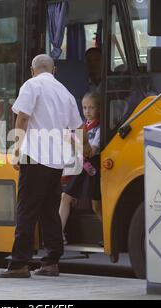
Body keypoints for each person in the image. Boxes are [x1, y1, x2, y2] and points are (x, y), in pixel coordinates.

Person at [0, 54, 92, 278]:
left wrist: (17, 150)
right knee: (49, 211)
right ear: (54, 70)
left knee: (26, 210)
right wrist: (85, 149)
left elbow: (22, 118)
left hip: (34, 156)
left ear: (32, 70)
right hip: (56, 160)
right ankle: (51, 261)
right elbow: (78, 127)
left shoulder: (32, 85)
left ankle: (19, 263)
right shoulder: (64, 92)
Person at [59, 91, 102, 245]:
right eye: (84, 108)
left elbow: (92, 151)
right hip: (80, 168)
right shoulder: (82, 126)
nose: (87, 112)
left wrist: (71, 140)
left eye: (91, 108)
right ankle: (58, 236)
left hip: (92, 170)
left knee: (96, 205)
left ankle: (109, 234)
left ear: (99, 109)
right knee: (66, 197)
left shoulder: (99, 129)